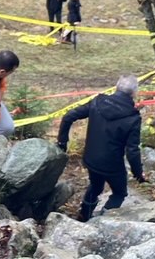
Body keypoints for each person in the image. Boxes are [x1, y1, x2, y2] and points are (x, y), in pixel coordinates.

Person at [57, 75, 146, 221]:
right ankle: (104, 220)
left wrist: (62, 142)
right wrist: (138, 174)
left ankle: (84, 216)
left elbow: (68, 116)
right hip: (113, 166)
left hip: (91, 159)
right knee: (119, 193)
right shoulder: (133, 118)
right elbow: (132, 151)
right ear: (134, 93)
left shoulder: (97, 102)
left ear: (116, 87)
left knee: (95, 186)